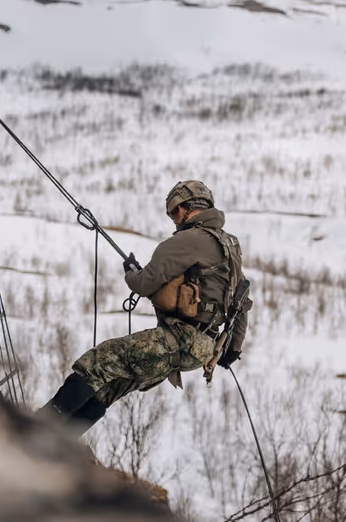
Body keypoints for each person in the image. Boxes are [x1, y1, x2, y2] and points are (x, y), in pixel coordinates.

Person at [40, 181, 252, 436]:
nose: (174, 219)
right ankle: (58, 446)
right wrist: (233, 348)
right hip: (204, 349)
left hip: (177, 341)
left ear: (189, 206)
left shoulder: (186, 240)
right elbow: (242, 300)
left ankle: (33, 430)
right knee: (110, 386)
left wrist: (131, 272)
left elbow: (142, 283)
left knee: (96, 363)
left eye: (175, 211)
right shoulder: (231, 246)